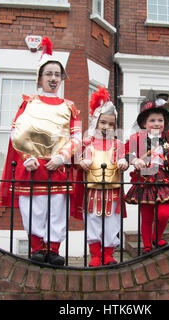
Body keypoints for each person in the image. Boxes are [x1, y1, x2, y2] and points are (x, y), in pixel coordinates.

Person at [0, 37, 81, 265]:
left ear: (61, 78)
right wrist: (27, 157)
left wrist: (62, 157)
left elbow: (77, 137)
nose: (53, 78)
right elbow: (17, 132)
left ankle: (53, 250)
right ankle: (36, 249)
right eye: (49, 74)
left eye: (57, 74)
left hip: (58, 166)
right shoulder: (28, 102)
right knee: (33, 209)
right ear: (40, 78)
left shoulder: (70, 107)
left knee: (56, 210)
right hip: (33, 167)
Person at [124, 95, 169, 254]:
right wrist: (134, 160)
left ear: (164, 123)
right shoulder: (137, 138)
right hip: (145, 180)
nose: (156, 123)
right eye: (152, 120)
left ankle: (156, 237)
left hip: (163, 180)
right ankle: (147, 245)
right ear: (144, 124)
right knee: (146, 216)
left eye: (160, 120)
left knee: (164, 214)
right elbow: (126, 152)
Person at [73, 87, 128, 267]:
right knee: (94, 222)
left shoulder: (119, 144)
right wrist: (81, 162)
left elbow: (125, 158)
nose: (107, 127)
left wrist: (124, 163)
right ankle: (95, 255)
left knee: (111, 223)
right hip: (92, 192)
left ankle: (108, 254)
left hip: (112, 191)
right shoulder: (86, 143)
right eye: (103, 123)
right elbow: (76, 159)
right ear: (96, 123)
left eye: (111, 124)